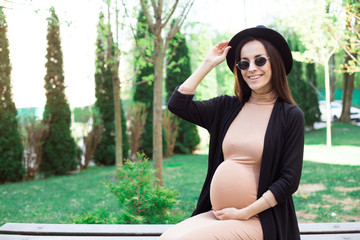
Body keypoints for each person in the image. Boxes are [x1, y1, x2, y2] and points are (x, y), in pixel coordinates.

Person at [161, 25, 304, 240]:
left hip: (259, 219)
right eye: (244, 63)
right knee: (166, 238)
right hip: (221, 215)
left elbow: (289, 180)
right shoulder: (226, 107)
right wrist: (207, 64)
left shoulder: (290, 115)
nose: (251, 68)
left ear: (276, 61)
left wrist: (244, 213)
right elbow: (178, 105)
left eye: (260, 60)